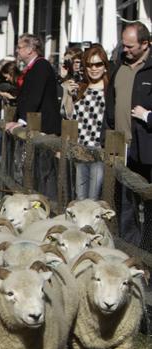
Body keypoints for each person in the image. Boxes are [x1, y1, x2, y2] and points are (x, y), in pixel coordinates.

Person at [105, 21, 152, 243]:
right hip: (121, 146)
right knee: (125, 205)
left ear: (145, 44)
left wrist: (146, 116)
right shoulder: (119, 67)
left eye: (131, 46)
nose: (126, 50)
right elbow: (110, 105)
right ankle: (127, 250)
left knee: (148, 205)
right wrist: (107, 134)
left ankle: (147, 254)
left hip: (147, 148)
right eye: (124, 45)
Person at [61, 45, 109, 200]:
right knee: (80, 197)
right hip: (80, 149)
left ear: (105, 66)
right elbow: (69, 115)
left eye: (98, 64)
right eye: (89, 65)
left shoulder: (109, 90)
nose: (94, 69)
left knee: (94, 198)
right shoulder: (81, 88)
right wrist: (68, 94)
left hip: (99, 151)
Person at [5, 34, 61, 135]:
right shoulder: (34, 66)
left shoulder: (41, 66)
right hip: (35, 125)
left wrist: (22, 121)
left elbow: (34, 96)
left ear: (30, 50)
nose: (16, 50)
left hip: (44, 127)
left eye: (19, 47)